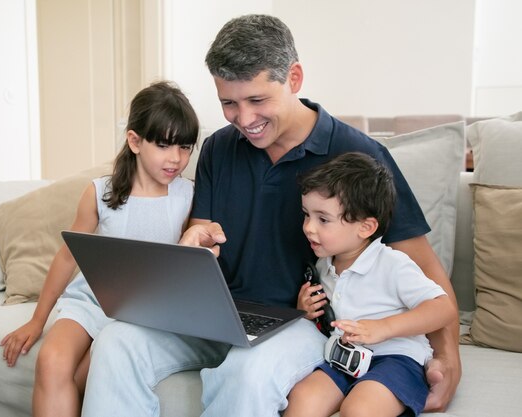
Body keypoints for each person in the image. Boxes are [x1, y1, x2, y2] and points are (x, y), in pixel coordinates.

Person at [82, 14, 460, 416]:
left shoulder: (359, 157)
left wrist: (448, 356)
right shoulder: (218, 149)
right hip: (217, 312)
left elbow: (425, 272)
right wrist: (192, 245)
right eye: (229, 102)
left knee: (247, 372)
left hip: (300, 323)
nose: (244, 120)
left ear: (294, 78)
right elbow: (201, 234)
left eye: (258, 100)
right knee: (116, 341)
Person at [0, 80, 199, 417]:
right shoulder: (100, 193)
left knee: (83, 379)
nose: (176, 158)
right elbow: (67, 256)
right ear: (134, 140)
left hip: (143, 313)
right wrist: (37, 320)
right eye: (164, 146)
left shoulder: (187, 196)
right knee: (51, 360)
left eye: (185, 147)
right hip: (91, 300)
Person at [283, 152, 456, 417]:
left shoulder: (393, 264)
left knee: (360, 409)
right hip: (343, 358)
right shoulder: (323, 264)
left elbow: (444, 309)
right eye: (307, 215)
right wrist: (305, 311)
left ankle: (424, 373)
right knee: (302, 401)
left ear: (365, 228)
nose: (308, 227)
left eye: (323, 219)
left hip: (397, 358)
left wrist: (383, 328)